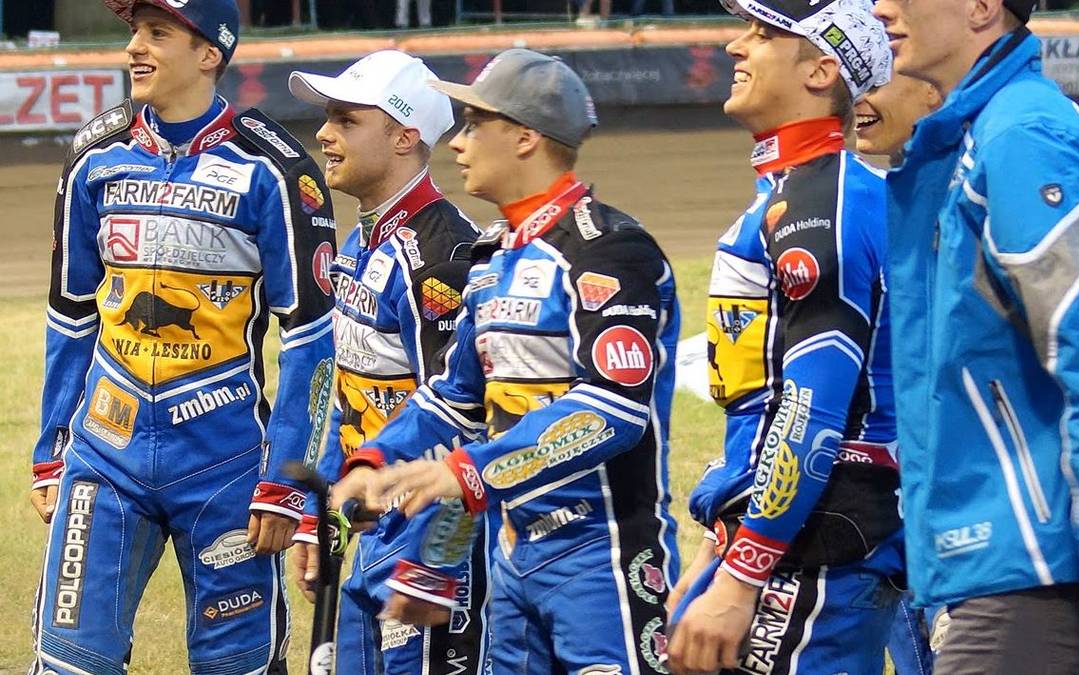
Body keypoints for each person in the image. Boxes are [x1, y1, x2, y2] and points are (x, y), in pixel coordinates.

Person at [873, 0, 1079, 673]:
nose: (881, 7)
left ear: (981, 7)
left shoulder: (1021, 137)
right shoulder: (972, 138)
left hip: (1043, 561)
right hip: (1016, 555)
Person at [331, 48, 683, 674]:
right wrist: (375, 461)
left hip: (602, 555)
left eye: (475, 125)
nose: (457, 142)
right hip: (512, 558)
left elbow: (612, 410)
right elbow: (453, 401)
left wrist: (468, 473)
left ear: (525, 137)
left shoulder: (610, 250)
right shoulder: (493, 257)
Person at [30, 0, 336, 672]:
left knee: (237, 667)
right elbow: (70, 314)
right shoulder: (94, 156)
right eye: (134, 32)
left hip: (227, 466)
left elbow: (311, 337)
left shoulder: (275, 168)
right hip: (104, 456)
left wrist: (286, 479)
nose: (135, 48)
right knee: (67, 661)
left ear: (208, 53)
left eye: (157, 33)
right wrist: (51, 448)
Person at [666, 1, 903, 673]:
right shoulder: (793, 194)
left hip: (821, 543)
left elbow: (811, 411)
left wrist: (741, 574)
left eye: (764, 33)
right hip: (792, 537)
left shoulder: (823, 203)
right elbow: (764, 405)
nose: (736, 47)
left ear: (820, 71)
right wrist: (720, 548)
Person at [286, 50, 486, 674]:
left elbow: (465, 424)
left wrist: (436, 560)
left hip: (424, 549)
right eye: (328, 117)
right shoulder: (360, 243)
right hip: (373, 535)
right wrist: (319, 517)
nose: (324, 133)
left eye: (346, 120)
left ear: (405, 137)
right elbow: (352, 399)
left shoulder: (442, 257)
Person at [853, 73, 943, 675]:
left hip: (930, 474)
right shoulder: (876, 198)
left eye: (879, 80)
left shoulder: (961, 188)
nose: (860, 99)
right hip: (885, 470)